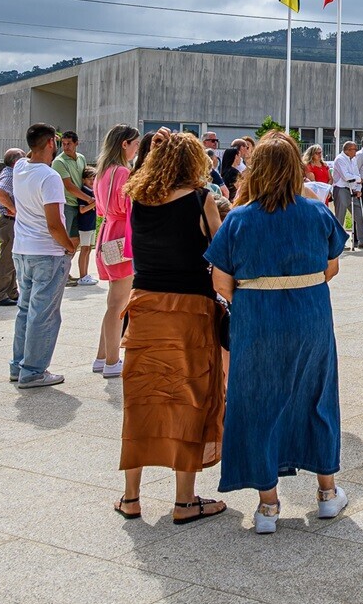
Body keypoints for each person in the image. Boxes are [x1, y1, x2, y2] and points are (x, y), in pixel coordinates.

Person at [205, 131, 348, 530]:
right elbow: (332, 265)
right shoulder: (316, 211)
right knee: (317, 396)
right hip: (310, 314)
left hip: (257, 318)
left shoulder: (239, 217)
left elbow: (220, 282)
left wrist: (255, 296)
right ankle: (326, 493)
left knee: (257, 400)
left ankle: (268, 505)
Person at [116, 129, 229, 526]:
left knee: (141, 399)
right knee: (189, 399)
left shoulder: (138, 198)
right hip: (190, 311)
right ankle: (185, 500)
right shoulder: (202, 200)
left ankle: (131, 497)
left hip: (145, 307)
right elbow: (223, 253)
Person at [10, 123, 78, 389]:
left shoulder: (20, 167)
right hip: (47, 252)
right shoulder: (49, 177)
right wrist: (69, 247)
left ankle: (19, 365)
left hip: (22, 249)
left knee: (25, 310)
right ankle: (34, 371)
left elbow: (28, 156)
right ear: (51, 142)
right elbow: (54, 224)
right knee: (44, 314)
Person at [93, 124, 140, 378]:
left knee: (114, 301)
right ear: (124, 144)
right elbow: (130, 208)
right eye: (135, 144)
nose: (137, 149)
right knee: (118, 304)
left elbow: (101, 209)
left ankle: (103, 357)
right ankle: (111, 361)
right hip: (122, 236)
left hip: (108, 232)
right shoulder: (123, 172)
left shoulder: (103, 172)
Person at [53, 131, 97, 286]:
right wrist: (89, 199)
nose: (65, 147)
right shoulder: (59, 162)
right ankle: (58, 274)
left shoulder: (81, 158)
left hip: (78, 205)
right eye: (63, 144)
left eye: (69, 144)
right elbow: (69, 186)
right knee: (62, 242)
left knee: (75, 241)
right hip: (66, 204)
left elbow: (85, 180)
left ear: (76, 143)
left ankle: (63, 272)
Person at [0, 148, 24, 307]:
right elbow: (0, 192)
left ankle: (11, 292)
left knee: (12, 260)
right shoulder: (10, 174)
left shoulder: (12, 173)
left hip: (11, 221)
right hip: (9, 221)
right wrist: (14, 209)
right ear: (16, 161)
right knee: (7, 260)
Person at [331, 141, 363, 248]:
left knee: (361, 214)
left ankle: (362, 240)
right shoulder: (340, 159)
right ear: (347, 150)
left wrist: (358, 189)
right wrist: (358, 179)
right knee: (340, 216)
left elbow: (357, 174)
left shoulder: (353, 159)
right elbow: (346, 176)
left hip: (351, 189)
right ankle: (338, 242)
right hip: (341, 189)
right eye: (354, 149)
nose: (356, 152)